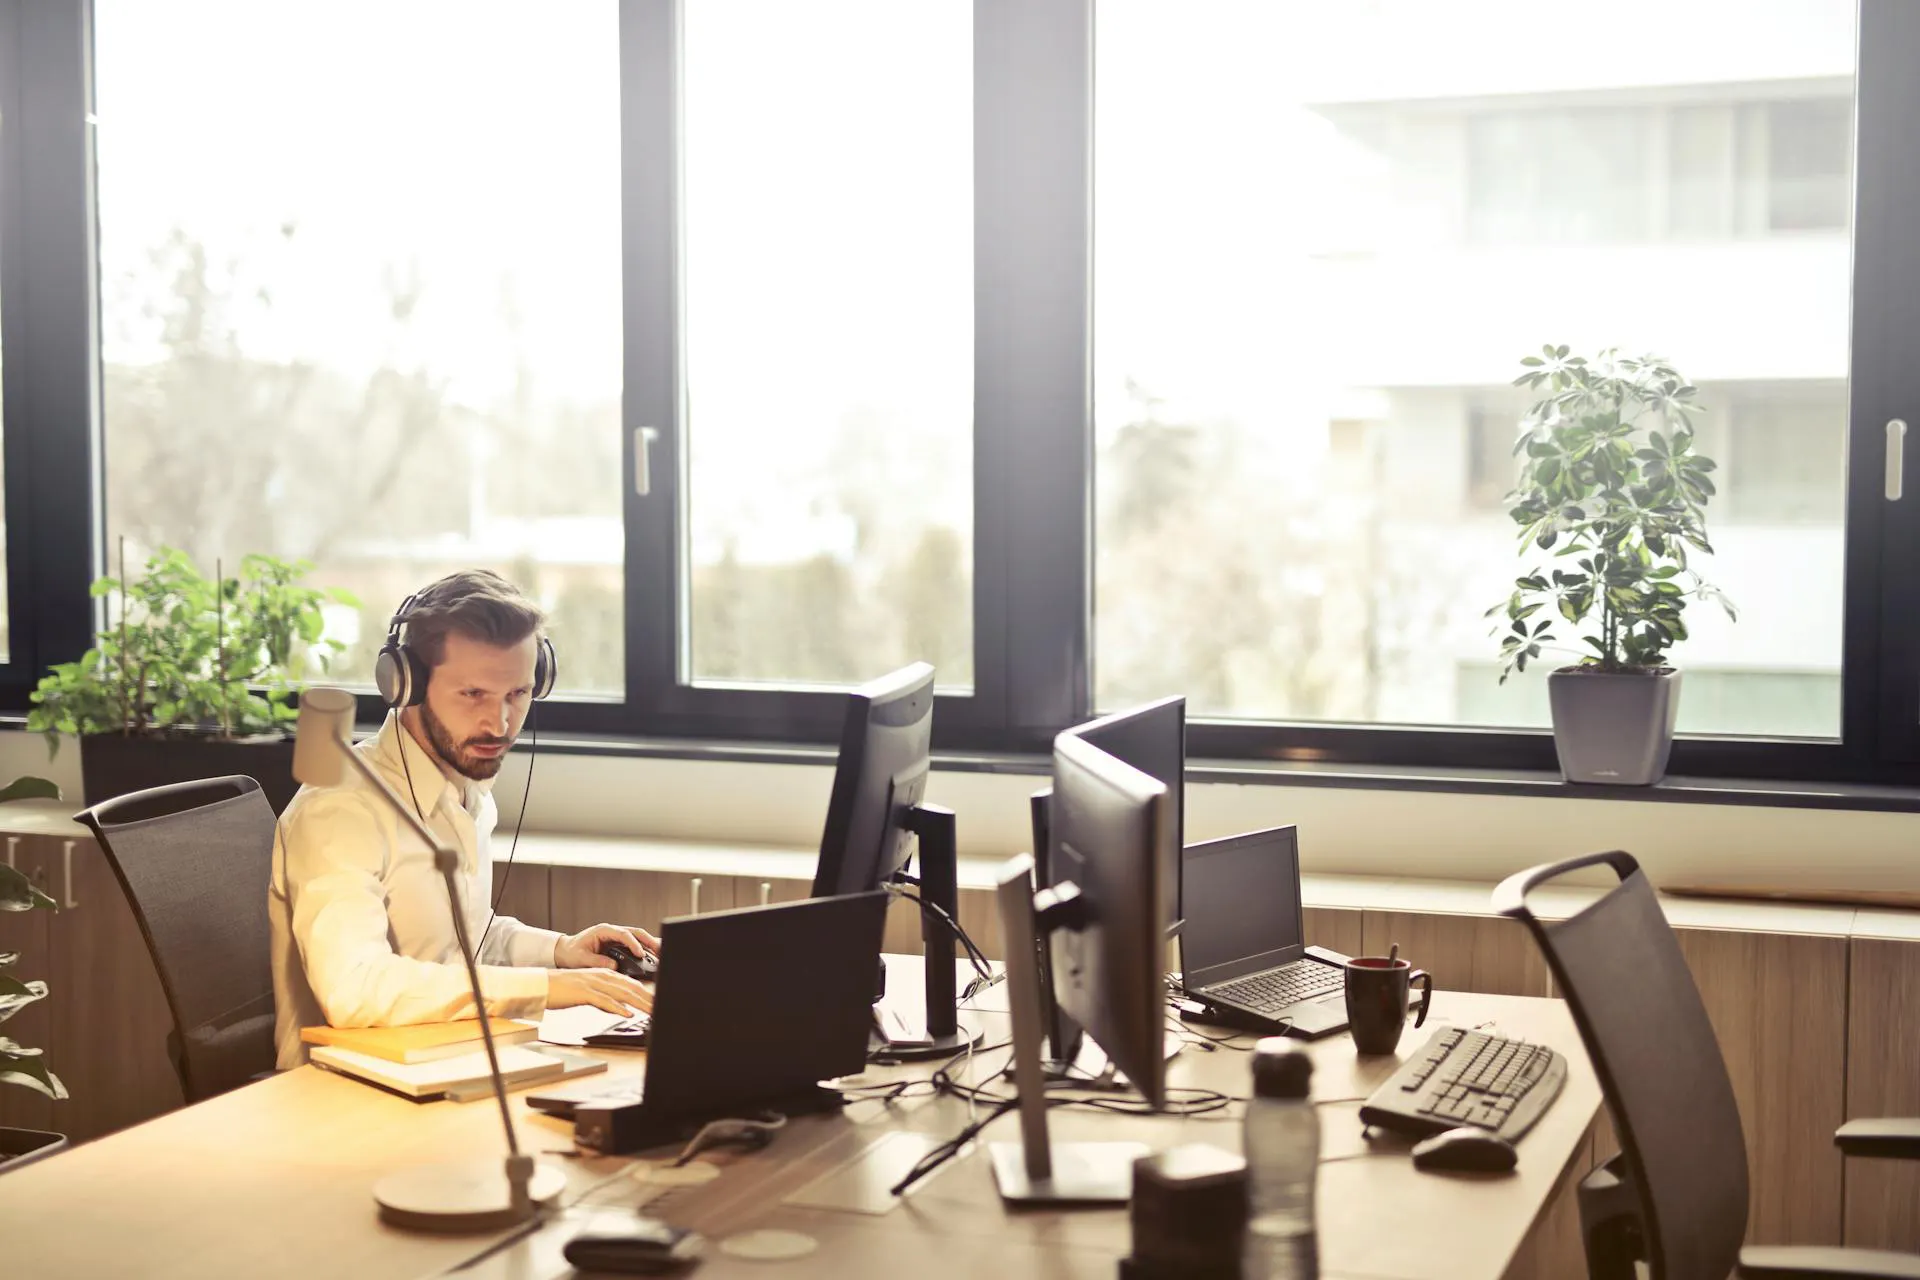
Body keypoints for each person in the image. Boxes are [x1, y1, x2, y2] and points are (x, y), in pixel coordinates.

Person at [269, 569, 653, 1070]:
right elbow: (354, 989)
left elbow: (466, 943)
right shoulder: (340, 809)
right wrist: (547, 987)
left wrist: (561, 952)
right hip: (341, 1093)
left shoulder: (466, 789)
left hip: (449, 1061)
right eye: (473, 695)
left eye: (517, 695)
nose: (499, 725)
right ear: (406, 684)